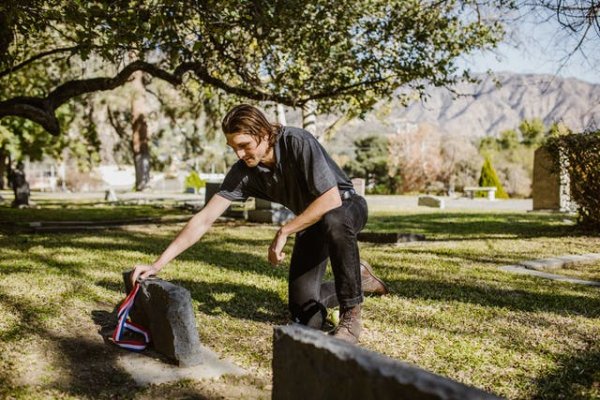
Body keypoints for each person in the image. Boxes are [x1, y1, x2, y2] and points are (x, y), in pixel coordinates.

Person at [131, 104, 388, 344]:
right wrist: (157, 264)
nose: (240, 154)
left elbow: (331, 200)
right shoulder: (243, 172)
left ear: (264, 133)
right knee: (305, 316)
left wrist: (284, 230)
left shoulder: (297, 142)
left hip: (346, 206)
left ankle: (351, 316)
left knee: (334, 218)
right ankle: (359, 278)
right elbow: (204, 218)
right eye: (233, 148)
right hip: (310, 223)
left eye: (244, 145)